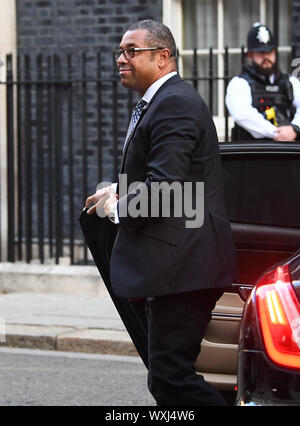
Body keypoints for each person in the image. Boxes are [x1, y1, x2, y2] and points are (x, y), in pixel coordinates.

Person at [86, 20, 237, 406]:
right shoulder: (162, 101)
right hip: (175, 266)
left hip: (183, 268)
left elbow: (165, 190)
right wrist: (118, 190)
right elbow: (180, 183)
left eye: (131, 51)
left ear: (163, 56)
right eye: (120, 52)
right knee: (167, 378)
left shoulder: (174, 102)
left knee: (171, 379)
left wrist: (116, 207)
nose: (122, 58)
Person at [226, 22, 300, 141]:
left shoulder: (291, 82)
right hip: (253, 153)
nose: (266, 57)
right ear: (250, 55)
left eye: (269, 51)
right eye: (261, 53)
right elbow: (243, 115)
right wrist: (276, 133)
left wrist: (295, 129)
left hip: (287, 153)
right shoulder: (239, 84)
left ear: (275, 52)